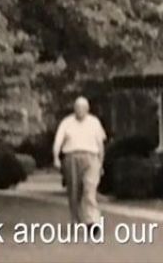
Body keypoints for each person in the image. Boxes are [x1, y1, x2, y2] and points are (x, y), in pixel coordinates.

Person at [53, 96, 106, 233]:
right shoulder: (67, 122)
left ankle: (92, 221)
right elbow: (58, 142)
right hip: (71, 157)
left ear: (87, 109)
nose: (80, 110)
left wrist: (101, 162)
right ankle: (75, 220)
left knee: (90, 190)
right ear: (74, 108)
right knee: (74, 192)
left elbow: (100, 144)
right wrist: (56, 158)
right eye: (77, 107)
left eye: (83, 107)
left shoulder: (94, 122)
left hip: (91, 157)